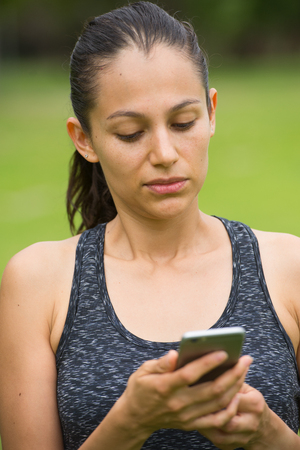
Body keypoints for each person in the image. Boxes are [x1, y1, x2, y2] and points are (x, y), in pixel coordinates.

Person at [0, 2, 300, 449]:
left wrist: (268, 435)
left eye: (183, 122)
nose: (164, 152)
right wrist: (129, 423)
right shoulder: (38, 282)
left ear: (212, 112)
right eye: (130, 133)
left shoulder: (289, 266)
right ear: (84, 139)